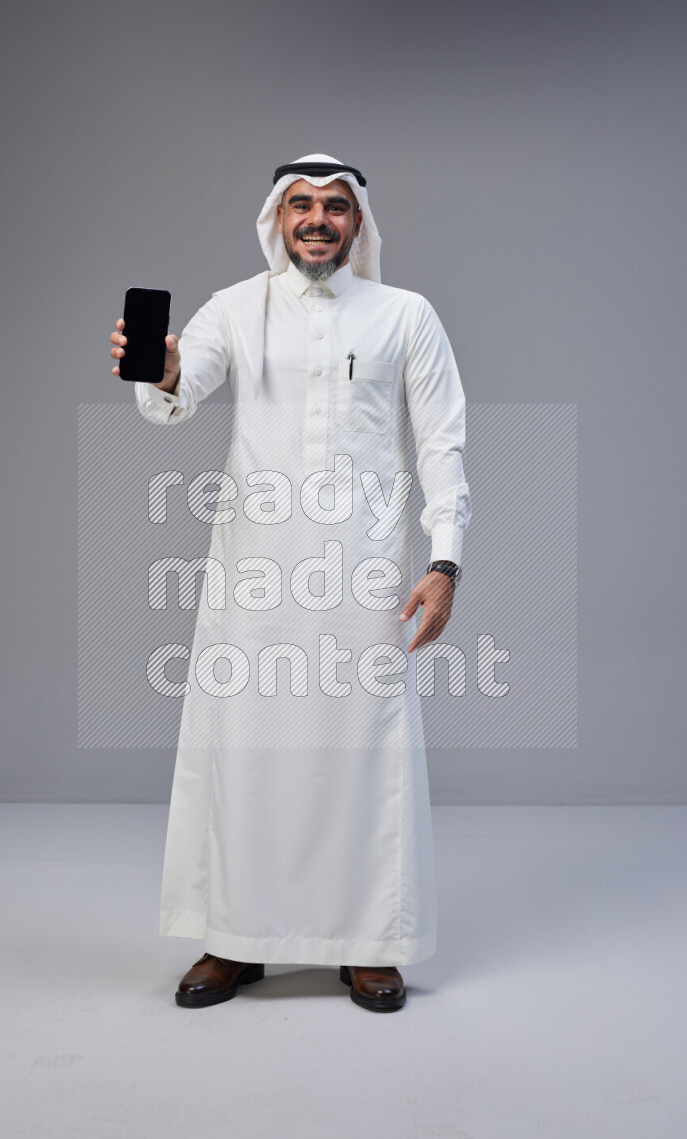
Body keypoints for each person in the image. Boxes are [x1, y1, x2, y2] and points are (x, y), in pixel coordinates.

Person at [109, 154, 471, 1012]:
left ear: (358, 222)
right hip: (256, 573)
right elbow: (179, 390)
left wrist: (444, 562)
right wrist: (160, 367)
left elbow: (443, 441)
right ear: (277, 218)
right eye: (300, 204)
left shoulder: (405, 314)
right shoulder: (236, 307)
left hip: (365, 573)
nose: (317, 219)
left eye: (335, 206)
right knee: (246, 751)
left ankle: (370, 943)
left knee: (364, 754)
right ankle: (235, 938)